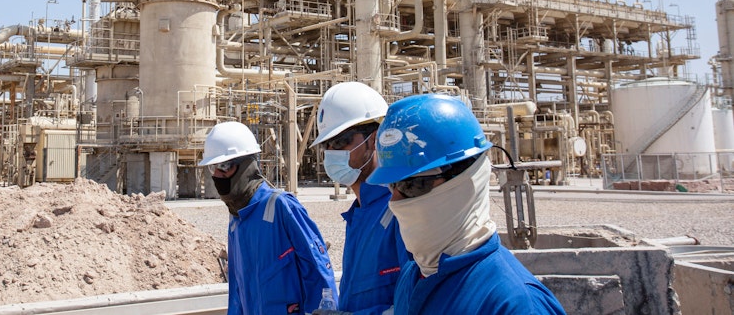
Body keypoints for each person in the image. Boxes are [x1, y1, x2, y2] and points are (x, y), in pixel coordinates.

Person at [367, 94, 566, 314]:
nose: (394, 201)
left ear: (466, 181)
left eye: (411, 186)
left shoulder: (514, 304)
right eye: (391, 185)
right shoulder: (412, 277)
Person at [199, 121, 337, 314]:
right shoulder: (236, 221)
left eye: (224, 166)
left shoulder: (280, 207)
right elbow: (237, 292)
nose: (218, 176)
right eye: (213, 168)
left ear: (247, 165)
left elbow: (319, 272)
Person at [309, 82, 410, 315]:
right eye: (328, 144)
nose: (332, 151)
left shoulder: (399, 211)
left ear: (374, 140)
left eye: (341, 140)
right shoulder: (358, 215)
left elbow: (418, 302)